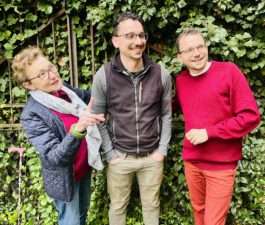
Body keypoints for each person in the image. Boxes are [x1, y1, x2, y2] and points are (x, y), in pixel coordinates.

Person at [91, 12, 172, 225]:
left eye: (141, 35)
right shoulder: (103, 75)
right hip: (120, 157)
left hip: (152, 157)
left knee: (152, 206)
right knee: (117, 207)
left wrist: (161, 150)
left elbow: (166, 114)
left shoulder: (161, 74)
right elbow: (97, 117)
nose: (138, 42)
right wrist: (110, 154)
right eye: (130, 36)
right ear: (116, 41)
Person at [175, 29, 260, 225]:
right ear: (180, 57)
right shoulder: (181, 81)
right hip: (192, 162)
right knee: (199, 213)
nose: (196, 53)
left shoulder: (228, 71)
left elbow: (250, 116)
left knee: (213, 221)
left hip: (221, 165)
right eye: (189, 50)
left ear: (206, 47)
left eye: (200, 46)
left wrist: (209, 132)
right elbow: (171, 106)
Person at [12, 46, 105, 225]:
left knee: (83, 213)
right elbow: (55, 156)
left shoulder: (65, 92)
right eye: (42, 74)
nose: (53, 75)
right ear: (28, 85)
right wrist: (79, 128)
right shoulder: (32, 115)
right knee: (71, 221)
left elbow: (89, 96)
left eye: (51, 68)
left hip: (83, 169)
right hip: (64, 180)